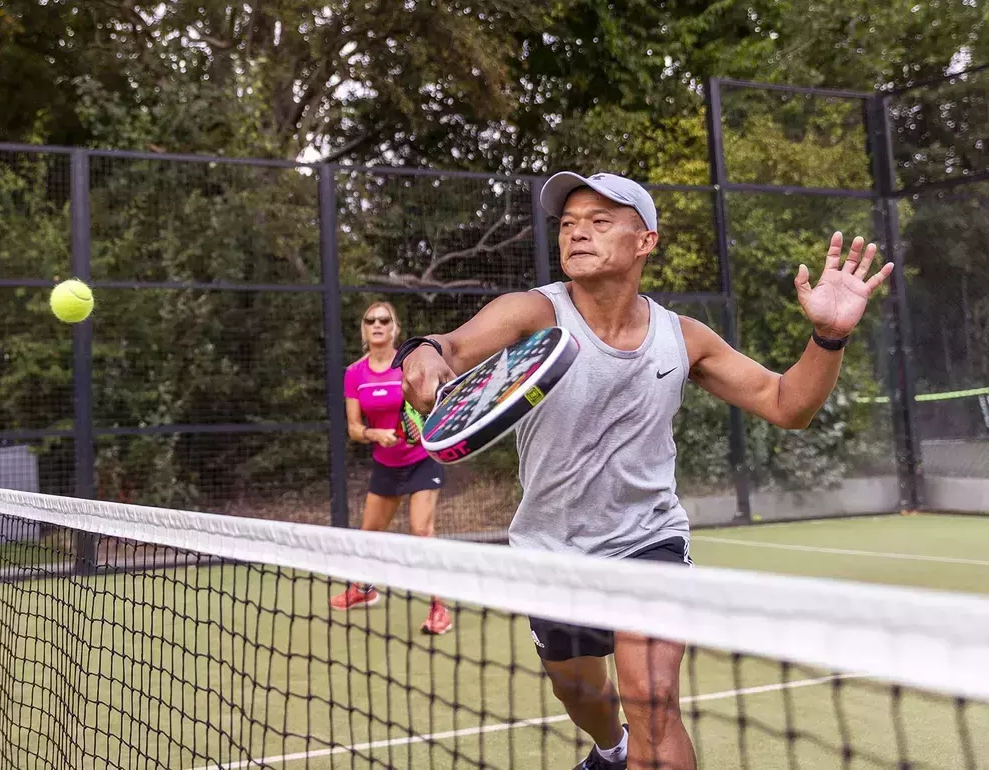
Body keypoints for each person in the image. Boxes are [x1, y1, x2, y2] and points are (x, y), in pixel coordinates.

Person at [396, 172, 892, 770]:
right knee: (583, 698)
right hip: (552, 551)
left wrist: (828, 338)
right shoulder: (531, 312)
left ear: (645, 242)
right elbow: (448, 348)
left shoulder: (681, 338)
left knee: (655, 707)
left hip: (647, 541)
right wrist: (421, 352)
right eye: (568, 224)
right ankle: (610, 749)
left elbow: (788, 404)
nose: (577, 233)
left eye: (600, 222)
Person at [331, 301, 453, 636]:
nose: (377, 325)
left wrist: (421, 426)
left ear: (394, 327)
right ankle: (364, 589)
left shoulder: (407, 366)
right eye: (370, 320)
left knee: (422, 532)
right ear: (364, 329)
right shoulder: (355, 374)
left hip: (421, 460)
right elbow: (354, 429)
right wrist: (374, 434)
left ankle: (439, 609)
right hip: (385, 464)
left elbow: (432, 403)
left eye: (384, 320)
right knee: (369, 534)